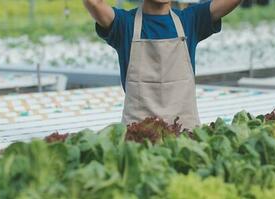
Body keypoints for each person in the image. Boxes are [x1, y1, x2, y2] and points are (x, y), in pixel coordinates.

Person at [83, 0, 241, 130]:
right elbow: (95, 3)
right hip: (139, 139)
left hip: (185, 138)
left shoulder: (190, 20)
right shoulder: (124, 25)